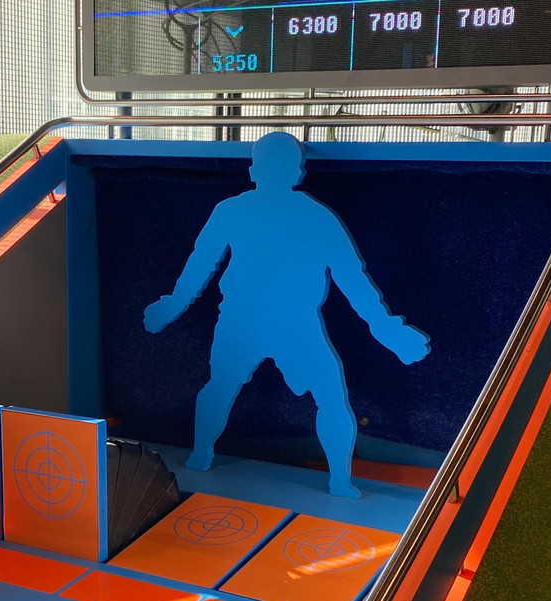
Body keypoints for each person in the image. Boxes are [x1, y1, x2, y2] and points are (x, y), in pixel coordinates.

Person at [144, 132, 429, 498]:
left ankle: (337, 480)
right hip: (254, 321)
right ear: (294, 172)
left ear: (258, 171)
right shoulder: (293, 215)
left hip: (281, 322)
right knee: (244, 389)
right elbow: (201, 263)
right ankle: (206, 456)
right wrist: (172, 304)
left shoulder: (281, 214)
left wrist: (390, 329)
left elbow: (351, 278)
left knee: (316, 395)